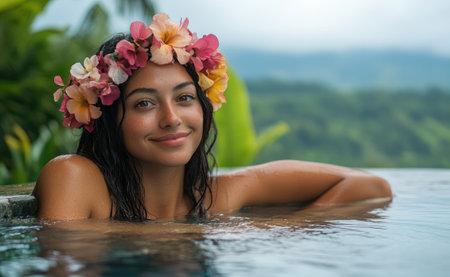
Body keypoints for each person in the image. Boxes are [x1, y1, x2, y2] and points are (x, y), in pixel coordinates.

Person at [33, 13, 392, 221]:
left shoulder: (218, 198)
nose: (172, 118)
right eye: (144, 103)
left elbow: (371, 188)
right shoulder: (75, 178)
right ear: (109, 117)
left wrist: (287, 227)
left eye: (185, 98)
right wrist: (192, 235)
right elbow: (69, 272)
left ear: (203, 108)